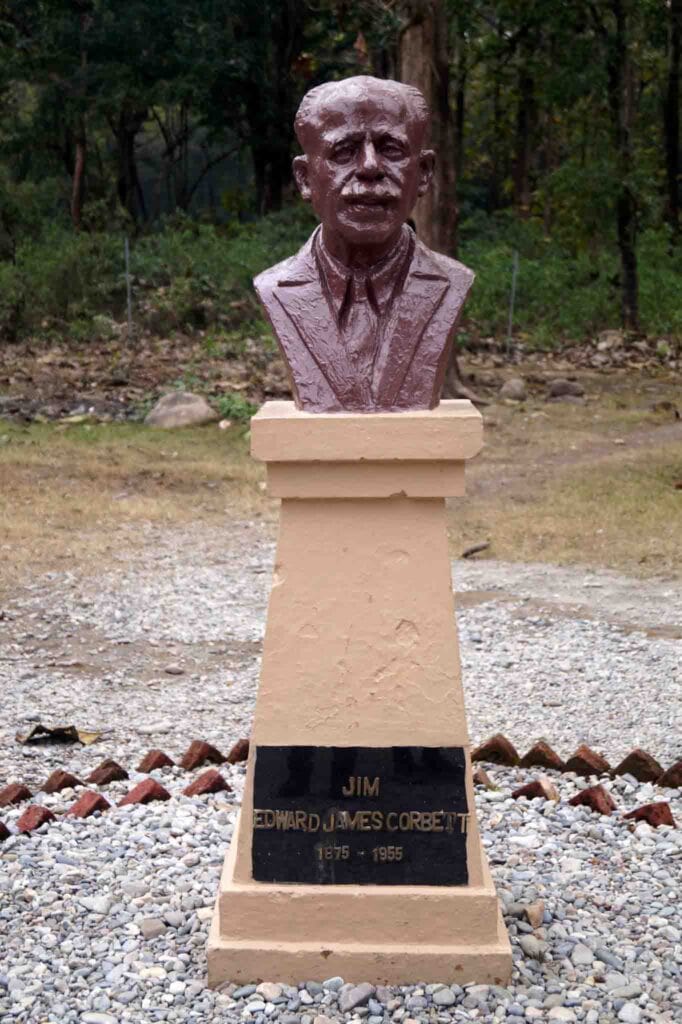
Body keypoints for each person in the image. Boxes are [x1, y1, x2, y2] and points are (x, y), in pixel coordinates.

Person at [254, 75, 474, 413]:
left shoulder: (452, 283)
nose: (370, 167)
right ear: (304, 178)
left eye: (392, 150)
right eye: (343, 151)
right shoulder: (276, 288)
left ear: (424, 173)